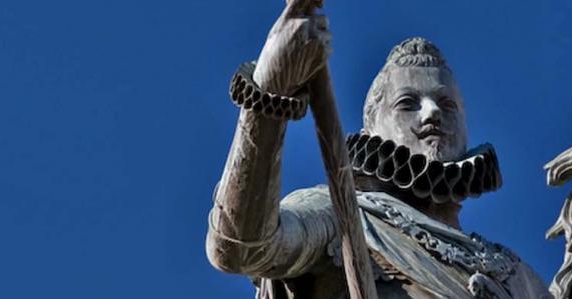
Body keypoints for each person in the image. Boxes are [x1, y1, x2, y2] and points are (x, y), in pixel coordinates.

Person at [205, 2, 550, 298]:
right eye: (408, 102)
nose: (431, 113)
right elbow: (241, 248)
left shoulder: (518, 276)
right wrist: (268, 94)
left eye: (447, 104)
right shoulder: (342, 214)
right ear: (372, 126)